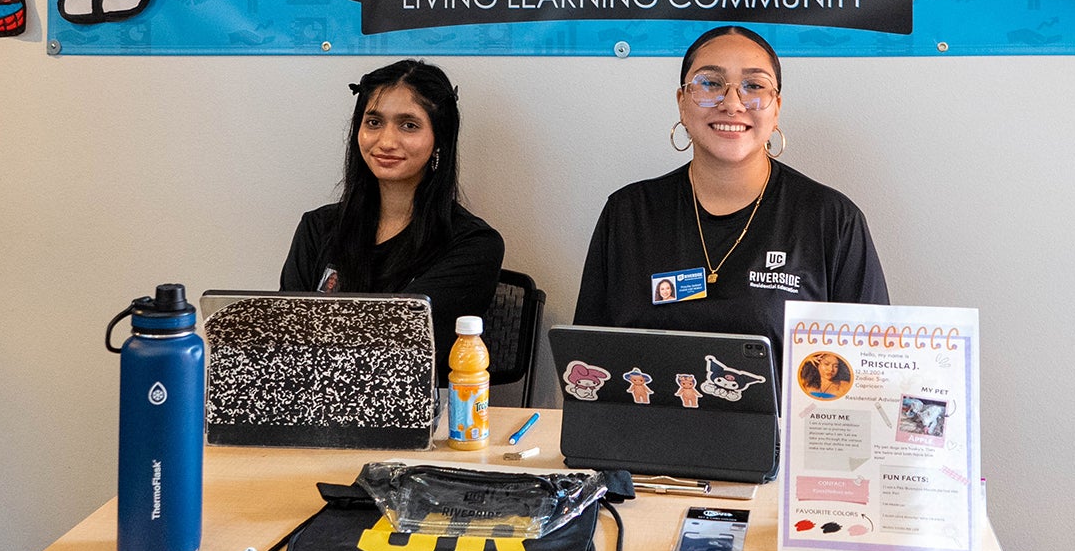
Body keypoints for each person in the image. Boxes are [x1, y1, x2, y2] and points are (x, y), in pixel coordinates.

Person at [574, 24, 888, 345]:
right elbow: (586, 363)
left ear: (776, 108)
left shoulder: (832, 220)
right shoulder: (627, 213)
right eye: (710, 83)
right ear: (683, 103)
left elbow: (868, 373)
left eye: (753, 85)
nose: (732, 103)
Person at [280, 59, 504, 381]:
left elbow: (400, 347)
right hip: (313, 409)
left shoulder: (474, 245)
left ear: (439, 139)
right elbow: (286, 341)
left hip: (417, 418)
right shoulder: (317, 228)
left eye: (408, 125)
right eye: (373, 122)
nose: (386, 141)